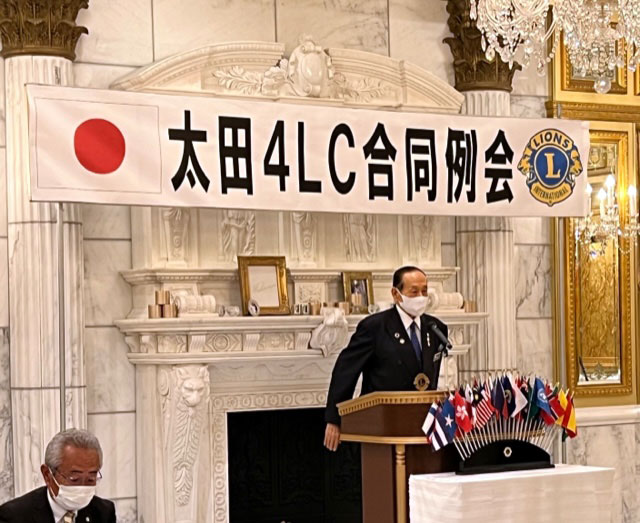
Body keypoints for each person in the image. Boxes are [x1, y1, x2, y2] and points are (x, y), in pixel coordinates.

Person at [324, 266, 448, 451]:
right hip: (382, 424)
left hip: (423, 426)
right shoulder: (374, 327)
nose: (421, 297)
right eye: (414, 292)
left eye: (424, 291)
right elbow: (346, 371)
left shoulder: (436, 328)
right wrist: (335, 419)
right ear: (396, 294)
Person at [0, 428, 116, 523]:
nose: (82, 487)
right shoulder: (13, 516)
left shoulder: (104, 512)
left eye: (90, 479)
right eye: (74, 479)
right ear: (47, 475)